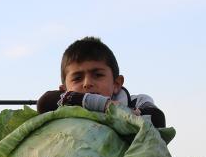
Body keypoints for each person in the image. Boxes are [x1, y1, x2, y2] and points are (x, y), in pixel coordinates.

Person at [36, 36, 166, 128]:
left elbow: (157, 119)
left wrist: (126, 112)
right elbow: (44, 102)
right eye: (77, 78)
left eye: (98, 75)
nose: (87, 83)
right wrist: (105, 105)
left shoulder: (137, 101)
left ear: (117, 84)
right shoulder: (62, 103)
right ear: (64, 91)